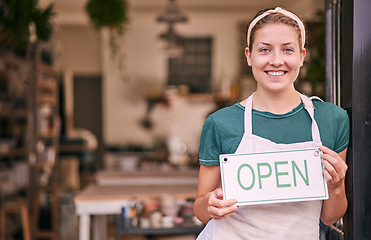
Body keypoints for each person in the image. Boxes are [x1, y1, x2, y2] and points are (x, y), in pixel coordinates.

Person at [193, 7, 349, 239]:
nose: (276, 61)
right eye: (264, 50)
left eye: (287, 49)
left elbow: (329, 217)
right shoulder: (220, 123)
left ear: (302, 56)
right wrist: (209, 204)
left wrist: (336, 187)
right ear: (249, 56)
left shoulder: (332, 119)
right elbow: (201, 211)